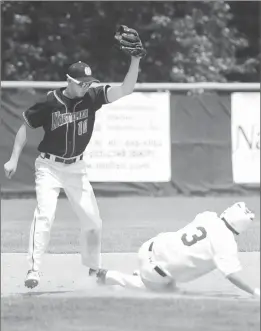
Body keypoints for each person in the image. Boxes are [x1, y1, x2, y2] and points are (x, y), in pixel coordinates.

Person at [4, 26, 145, 289]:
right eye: (81, 83)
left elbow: (125, 89)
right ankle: (34, 269)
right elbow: (25, 126)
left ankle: (93, 269)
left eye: (88, 83)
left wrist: (135, 60)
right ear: (69, 81)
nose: (86, 87)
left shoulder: (92, 97)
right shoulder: (50, 102)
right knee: (45, 215)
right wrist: (13, 159)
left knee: (93, 220)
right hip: (48, 166)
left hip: (76, 167)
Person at [96, 202, 260, 298]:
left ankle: (138, 274)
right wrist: (254, 292)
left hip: (149, 246)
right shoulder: (226, 243)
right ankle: (111, 276)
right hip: (156, 273)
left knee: (164, 274)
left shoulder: (208, 216)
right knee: (172, 295)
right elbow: (231, 274)